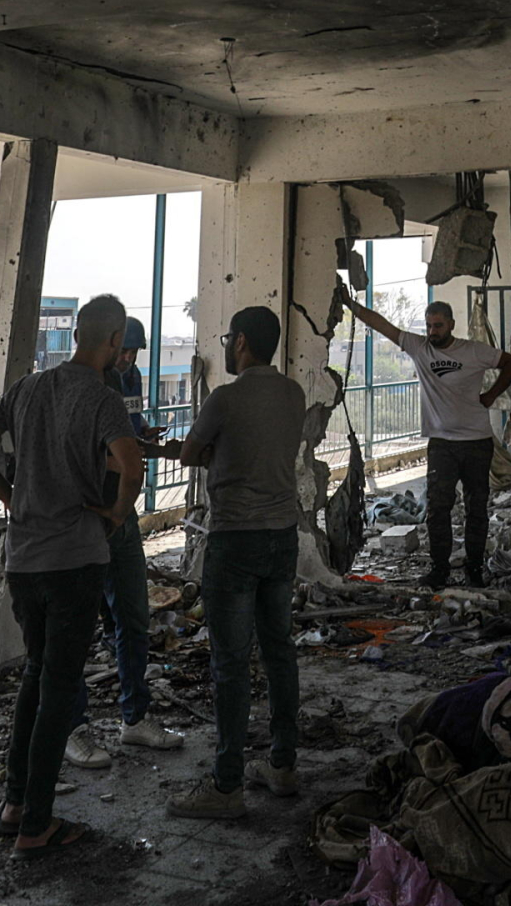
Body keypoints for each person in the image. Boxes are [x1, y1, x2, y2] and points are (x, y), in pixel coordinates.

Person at [0, 293, 145, 856]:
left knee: (37, 678)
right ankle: (37, 823)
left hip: (24, 561)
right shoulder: (102, 396)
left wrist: (11, 496)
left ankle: (14, 803)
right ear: (113, 342)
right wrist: (115, 513)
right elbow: (131, 463)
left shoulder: (27, 388)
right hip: (74, 560)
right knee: (59, 688)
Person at [157, 305, 307, 819]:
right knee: (279, 651)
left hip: (235, 540)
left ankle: (226, 786)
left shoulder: (225, 398)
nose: (224, 346)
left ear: (240, 342)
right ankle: (282, 766)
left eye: (226, 338)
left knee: (231, 664)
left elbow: (191, 453)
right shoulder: (294, 394)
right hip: (282, 536)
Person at [65, 314, 183, 768]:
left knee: (133, 616)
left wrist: (140, 439)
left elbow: (123, 436)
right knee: (74, 626)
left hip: (121, 513)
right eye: (123, 351)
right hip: (87, 513)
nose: (128, 359)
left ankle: (135, 717)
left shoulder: (126, 379)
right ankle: (73, 727)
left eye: (134, 353)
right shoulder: (77, 387)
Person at [342, 296, 511, 588]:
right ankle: (440, 571)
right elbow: (383, 325)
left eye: (438, 325)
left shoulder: (473, 350)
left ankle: (474, 570)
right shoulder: (419, 348)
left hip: (477, 442)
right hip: (441, 444)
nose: (432, 331)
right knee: (438, 509)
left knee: (477, 508)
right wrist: (351, 305)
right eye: (428, 326)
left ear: (451, 324)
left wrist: (491, 395)